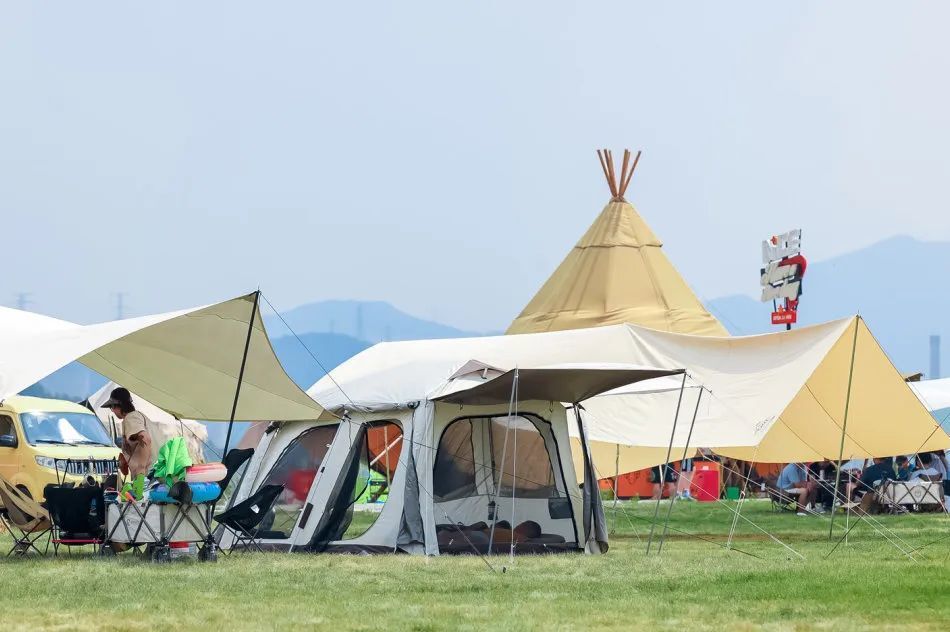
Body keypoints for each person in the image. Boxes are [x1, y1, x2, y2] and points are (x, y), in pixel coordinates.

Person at [101, 387, 154, 499]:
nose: (112, 411)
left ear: (118, 406)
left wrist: (141, 470)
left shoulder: (130, 418)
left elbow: (145, 439)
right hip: (151, 479)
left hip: (147, 480)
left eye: (112, 407)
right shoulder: (138, 416)